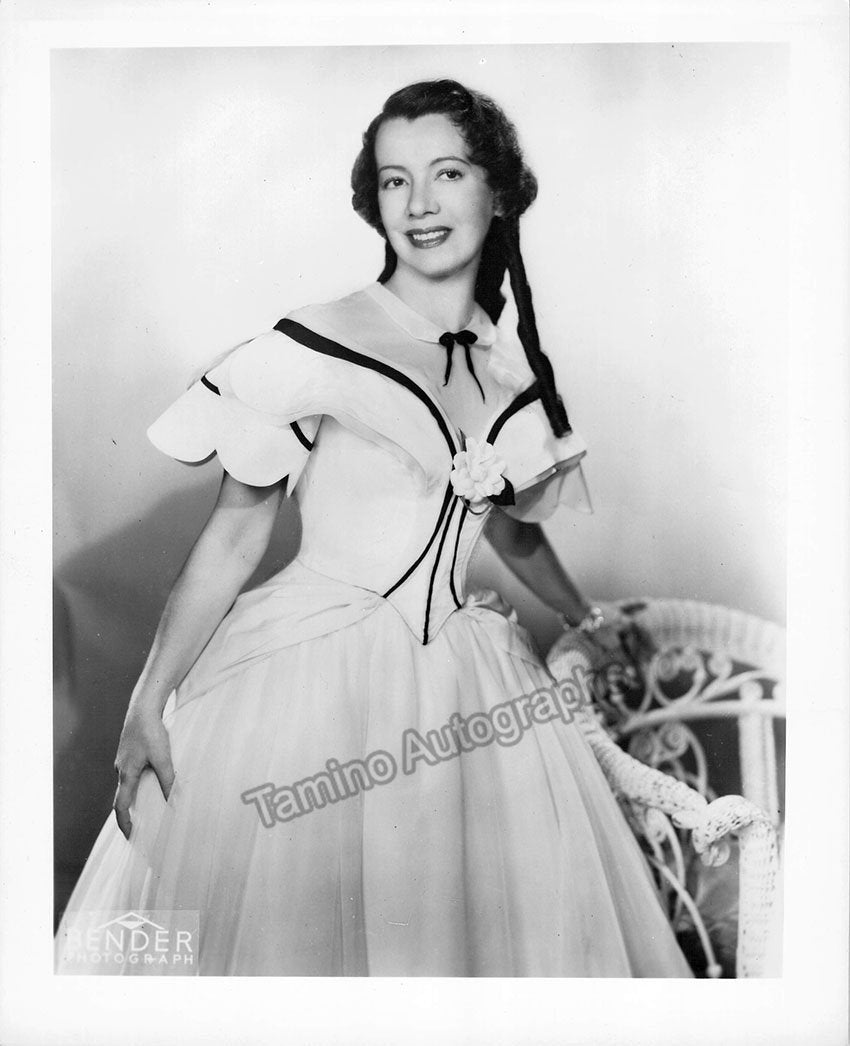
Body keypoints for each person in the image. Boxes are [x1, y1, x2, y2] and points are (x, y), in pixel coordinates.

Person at [55, 79, 692, 977]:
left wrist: (584, 616)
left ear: (499, 191)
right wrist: (145, 702)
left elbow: (509, 529)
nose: (420, 203)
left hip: (470, 687)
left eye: (448, 173)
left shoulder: (514, 372)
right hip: (312, 677)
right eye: (397, 180)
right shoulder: (321, 339)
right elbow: (234, 537)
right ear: (375, 201)